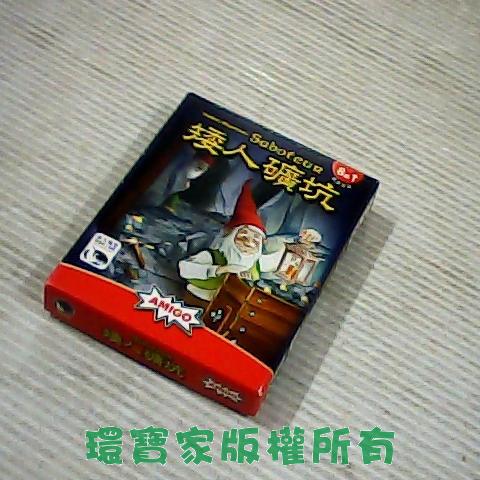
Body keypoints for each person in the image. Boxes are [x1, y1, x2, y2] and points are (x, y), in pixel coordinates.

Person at [178, 180, 285, 301]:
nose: (249, 243)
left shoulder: (252, 264)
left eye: (255, 241)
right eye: (243, 237)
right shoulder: (213, 256)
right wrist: (220, 270)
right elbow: (184, 268)